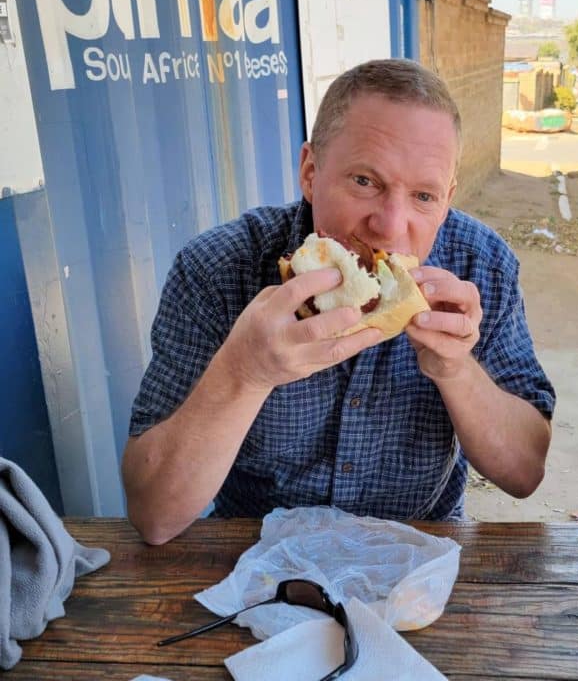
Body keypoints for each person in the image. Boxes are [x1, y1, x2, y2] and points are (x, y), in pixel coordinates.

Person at [122, 59, 555, 545]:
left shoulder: (481, 266)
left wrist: (456, 371)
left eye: (423, 196)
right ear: (310, 173)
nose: (389, 226)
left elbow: (524, 473)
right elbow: (154, 515)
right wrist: (244, 372)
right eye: (365, 181)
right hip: (256, 549)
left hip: (418, 546)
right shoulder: (218, 269)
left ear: (447, 199)